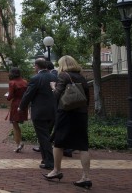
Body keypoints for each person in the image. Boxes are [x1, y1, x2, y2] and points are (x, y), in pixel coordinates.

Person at [44, 55, 92, 189]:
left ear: (62, 65)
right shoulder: (81, 77)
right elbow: (87, 99)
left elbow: (56, 96)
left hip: (65, 113)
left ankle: (56, 170)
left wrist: (53, 87)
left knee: (58, 142)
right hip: (81, 114)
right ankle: (86, 177)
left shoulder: (63, 76)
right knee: (83, 146)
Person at [19, 58, 57, 170]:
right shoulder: (54, 77)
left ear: (36, 66)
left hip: (40, 112)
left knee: (43, 137)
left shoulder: (36, 78)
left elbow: (28, 94)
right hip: (52, 111)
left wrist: (21, 107)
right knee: (46, 136)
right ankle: (46, 160)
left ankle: (49, 162)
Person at [6, 67, 28, 153]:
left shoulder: (12, 83)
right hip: (24, 104)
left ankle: (19, 144)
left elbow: (10, 96)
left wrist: (7, 97)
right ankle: (19, 143)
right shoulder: (25, 82)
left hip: (16, 104)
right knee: (16, 124)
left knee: (14, 124)